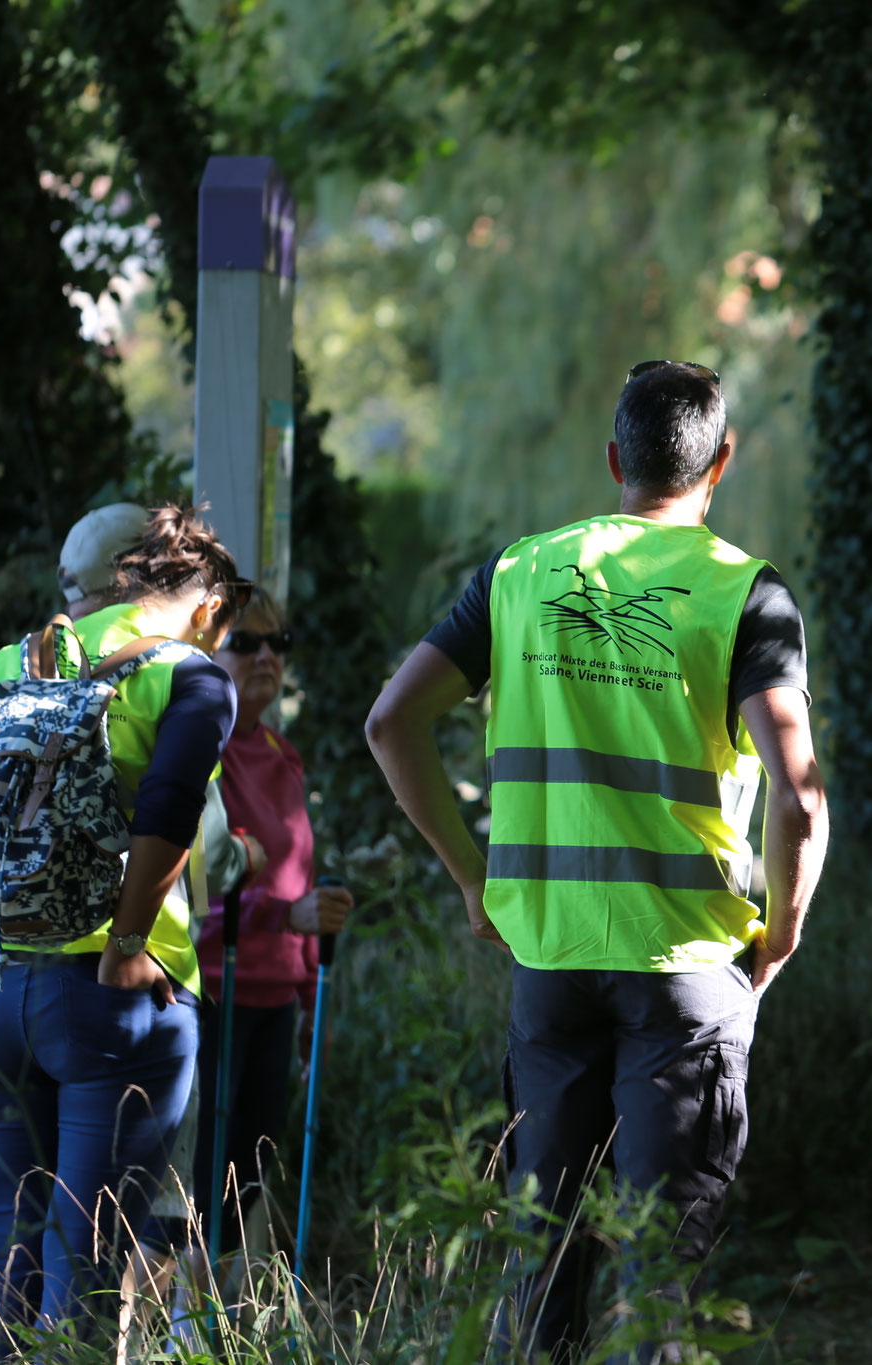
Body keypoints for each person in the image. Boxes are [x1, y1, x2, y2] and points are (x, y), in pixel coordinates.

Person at [365, 360, 830, 1355]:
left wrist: (467, 874)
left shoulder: (520, 573)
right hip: (690, 971)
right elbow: (797, 794)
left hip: (552, 964)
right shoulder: (743, 593)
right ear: (722, 463)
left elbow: (389, 722)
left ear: (613, 457)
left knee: (542, 1264)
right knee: (659, 1274)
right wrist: (781, 927)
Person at [0, 506, 242, 1364]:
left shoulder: (9, 664)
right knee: (89, 1267)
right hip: (116, 1008)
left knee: (11, 1256)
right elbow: (171, 811)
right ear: (191, 595)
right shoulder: (189, 675)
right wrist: (127, 940)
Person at [193, 588, 352, 1255]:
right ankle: (174, 1336)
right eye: (246, 642)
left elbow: (298, 883)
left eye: (277, 643)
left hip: (277, 996)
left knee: (246, 1181)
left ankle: (216, 1338)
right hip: (213, 994)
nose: (266, 655)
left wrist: (311, 991)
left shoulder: (284, 756)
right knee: (198, 1182)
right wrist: (286, 914)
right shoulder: (199, 753)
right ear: (208, 651)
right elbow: (196, 888)